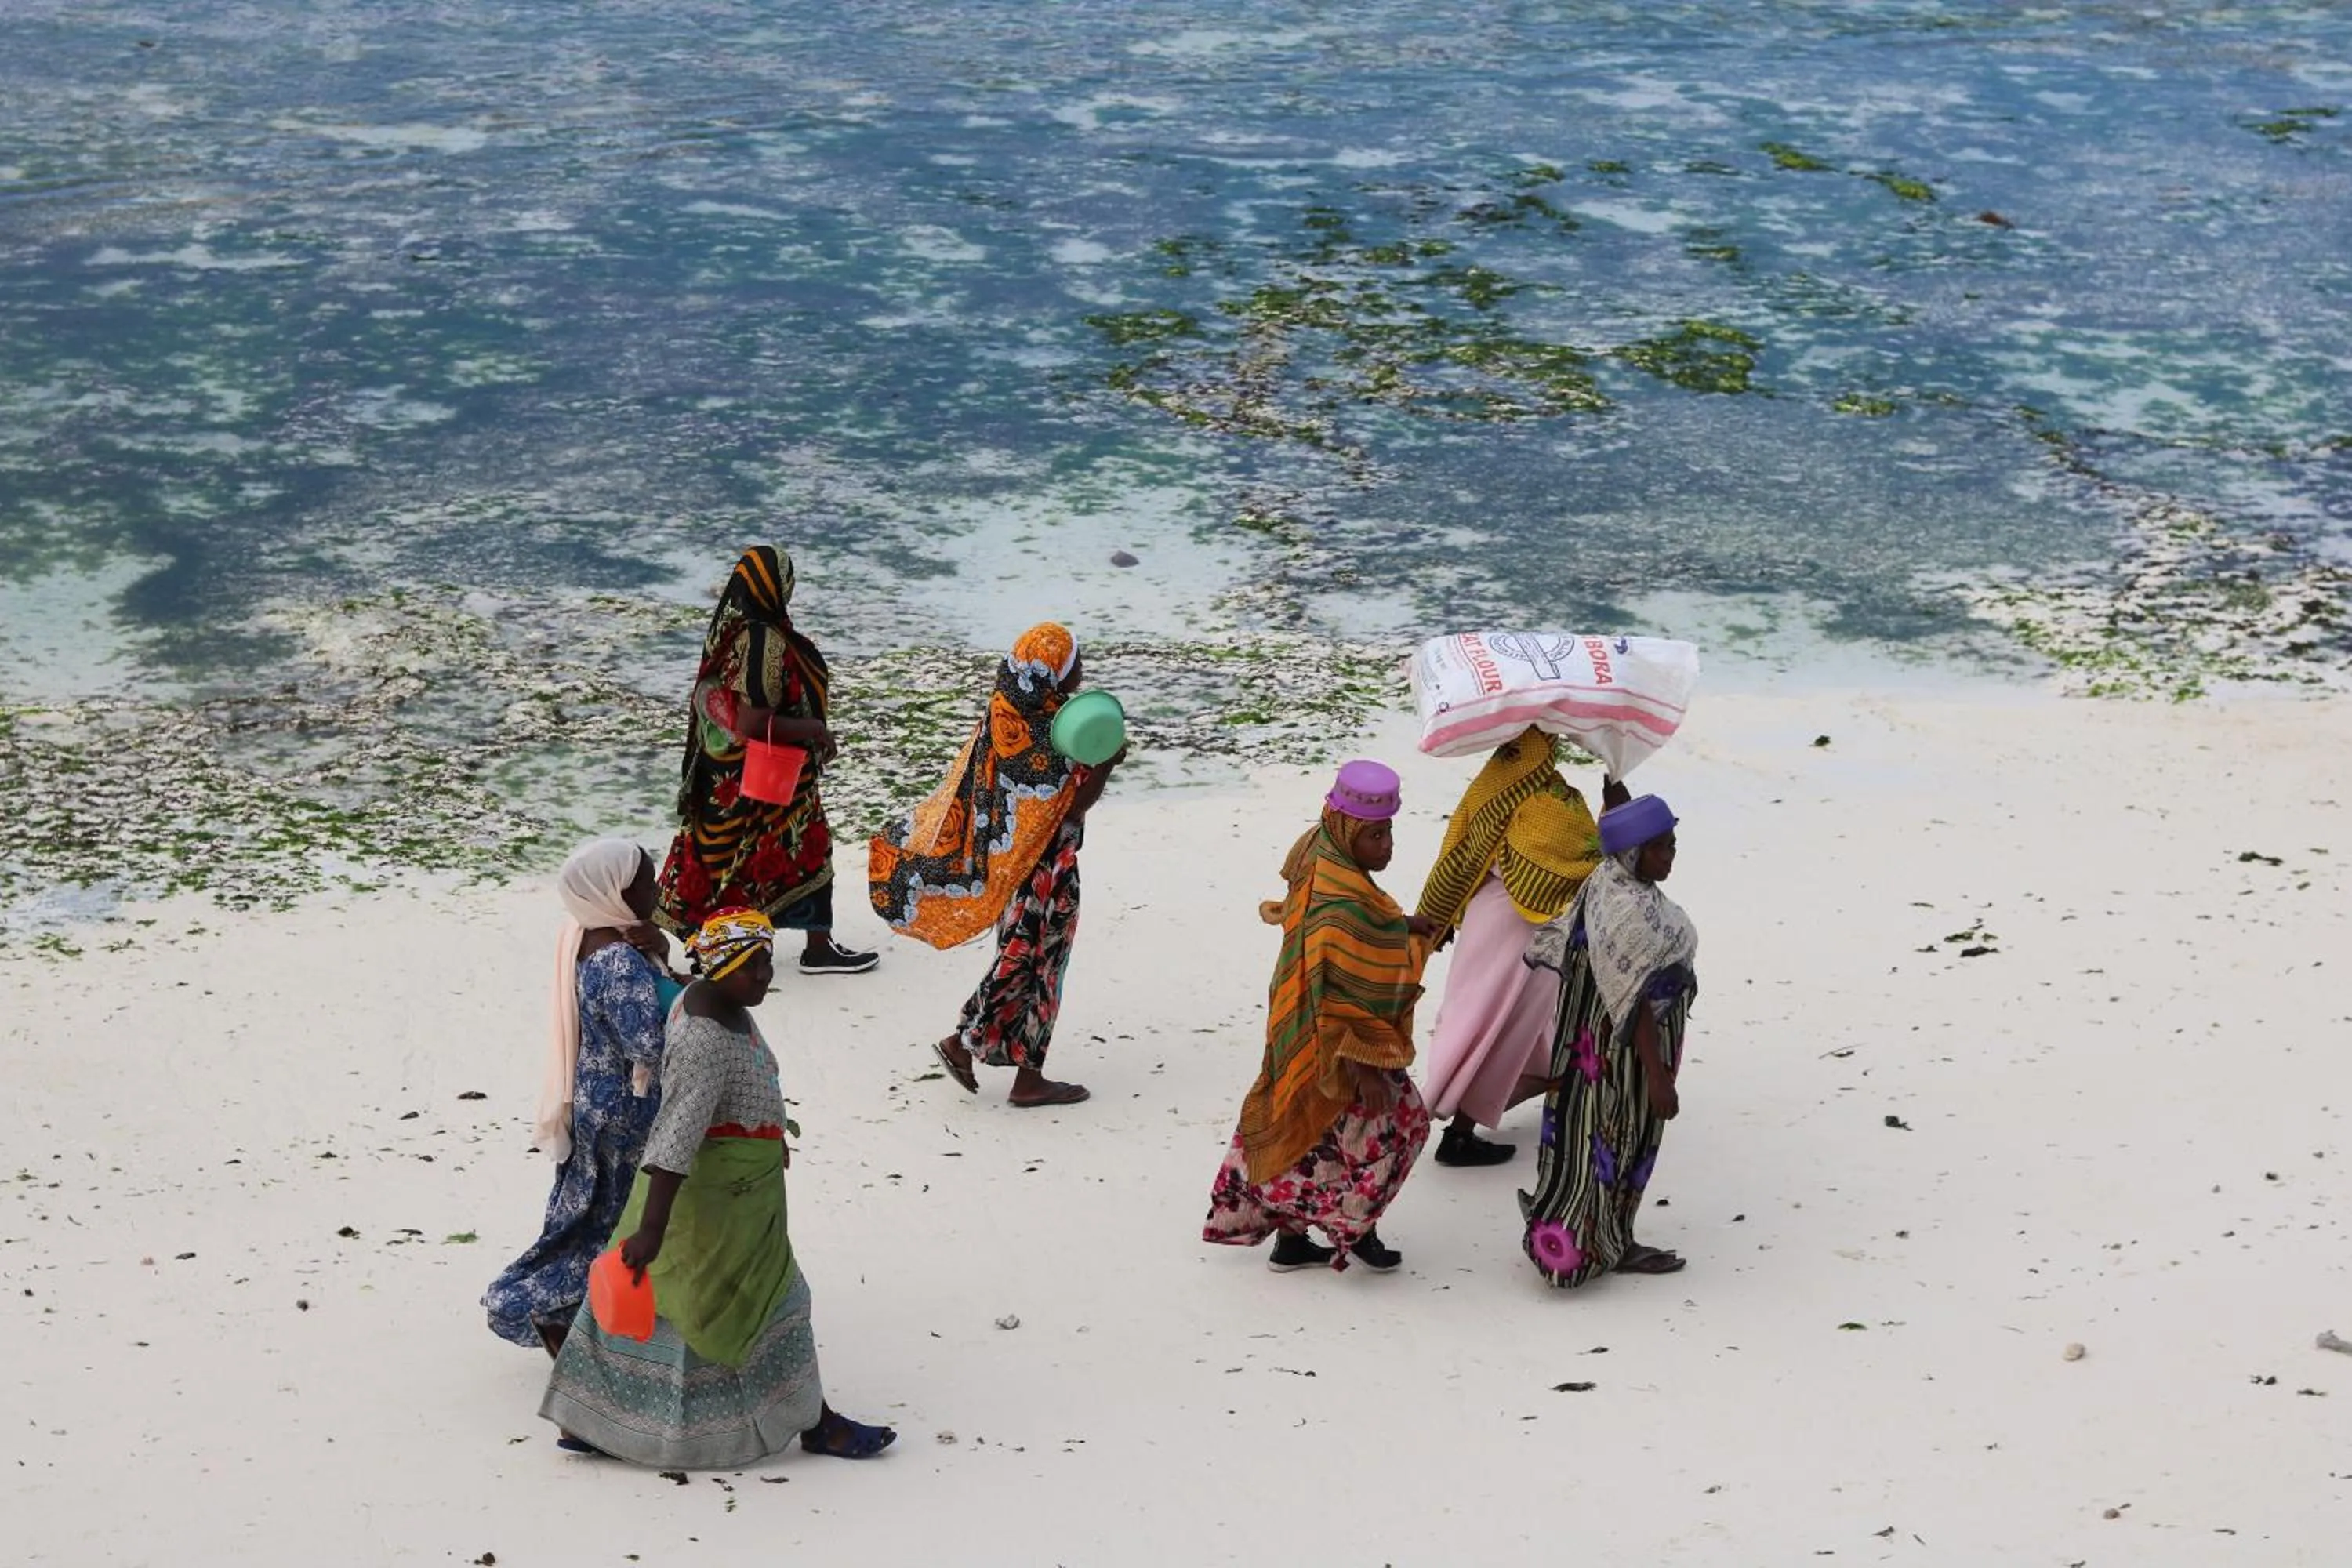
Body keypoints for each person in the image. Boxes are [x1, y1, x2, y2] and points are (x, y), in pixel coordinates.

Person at [540, 909, 897, 1465]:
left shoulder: (713, 1000)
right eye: (752, 966)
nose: (764, 977)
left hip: (736, 1197)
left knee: (671, 1309)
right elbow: (677, 1135)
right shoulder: (705, 1038)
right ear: (722, 966)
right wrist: (653, 1229)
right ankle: (819, 1425)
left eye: (766, 964)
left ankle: (591, 1423)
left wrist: (769, 1131)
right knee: (779, 1303)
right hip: (708, 1206)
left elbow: (682, 1000)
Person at [869, 622, 1124, 1109]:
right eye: (1075, 663)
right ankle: (996, 1061)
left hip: (1009, 865)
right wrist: (1107, 762)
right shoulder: (1056, 736)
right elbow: (1072, 808)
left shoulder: (1006, 713)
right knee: (1037, 960)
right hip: (1047, 868)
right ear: (1054, 673)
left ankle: (979, 1049)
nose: (1082, 671)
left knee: (1023, 952)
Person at [1202, 760, 1441, 1273]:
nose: (1388, 845)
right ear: (1349, 830)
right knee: (1397, 1128)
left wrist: (1402, 926)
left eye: (1391, 831)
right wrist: (1363, 1067)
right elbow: (1334, 989)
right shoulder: (1342, 903)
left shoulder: (1320, 851)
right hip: (1336, 1044)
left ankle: (1292, 1241)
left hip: (1296, 1033)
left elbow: (1348, 930)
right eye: (1376, 835)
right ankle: (1354, 1227)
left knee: (1310, 1132)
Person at [485, 839, 684, 1356]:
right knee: (617, 1227)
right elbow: (647, 1043)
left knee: (588, 1219)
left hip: (595, 1104)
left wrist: (657, 953)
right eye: (645, 881)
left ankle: (566, 1314)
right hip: (629, 1114)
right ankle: (534, 1306)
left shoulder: (583, 935)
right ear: (614, 890)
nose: (656, 888)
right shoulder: (619, 962)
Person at [655, 545, 877, 976]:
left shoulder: (731, 629)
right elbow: (754, 721)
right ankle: (813, 949)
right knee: (804, 848)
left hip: (728, 774)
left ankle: (720, 947)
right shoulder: (763, 639)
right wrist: (813, 731)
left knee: (729, 860)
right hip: (763, 775)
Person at [1415, 727, 1629, 1167]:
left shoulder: (1489, 789)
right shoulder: (1552, 803)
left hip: (1484, 919)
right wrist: (1615, 796)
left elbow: (1458, 856)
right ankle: (1457, 1131)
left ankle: (1454, 1118)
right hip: (1526, 930)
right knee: (1508, 1025)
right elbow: (1590, 861)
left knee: (1475, 1017)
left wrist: (1437, 918)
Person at [1518, 794, 1697, 1287]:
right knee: (1619, 1137)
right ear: (1634, 855)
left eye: (1673, 844)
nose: (1671, 856)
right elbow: (1633, 1000)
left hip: (1589, 1051)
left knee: (1583, 1137)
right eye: (1661, 848)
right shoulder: (1627, 909)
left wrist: (1616, 799)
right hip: (1622, 1056)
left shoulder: (1607, 882)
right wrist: (1658, 1077)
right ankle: (1602, 1243)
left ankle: (1580, 1226)